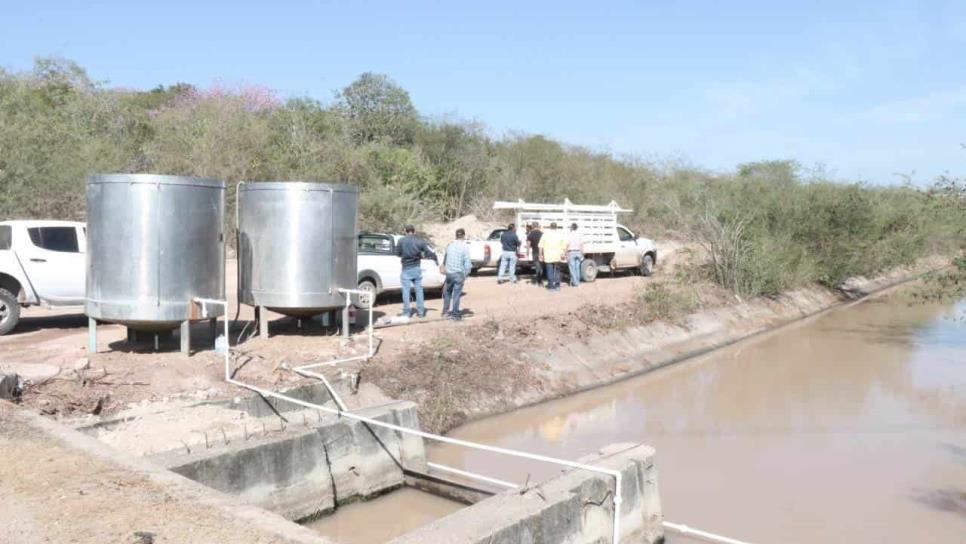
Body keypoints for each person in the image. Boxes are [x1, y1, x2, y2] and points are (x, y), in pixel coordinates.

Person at [394, 224, 433, 317]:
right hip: (416, 267)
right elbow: (428, 252)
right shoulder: (420, 241)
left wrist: (404, 255)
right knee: (419, 290)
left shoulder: (401, 241)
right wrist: (422, 255)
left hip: (406, 268)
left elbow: (397, 253)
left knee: (406, 291)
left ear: (405, 231)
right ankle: (421, 312)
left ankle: (406, 313)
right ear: (414, 231)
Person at [441, 228, 472, 320]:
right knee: (457, 294)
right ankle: (455, 314)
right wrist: (466, 275)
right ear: (463, 236)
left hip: (449, 273)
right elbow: (467, 264)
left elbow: (445, 260)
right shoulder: (464, 247)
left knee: (448, 293)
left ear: (456, 235)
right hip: (458, 273)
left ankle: (445, 312)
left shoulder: (449, 246)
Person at [539, 222, 566, 291]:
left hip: (548, 256)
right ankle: (557, 286)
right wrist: (564, 254)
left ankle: (551, 286)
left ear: (550, 227)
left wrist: (540, 255)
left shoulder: (545, 234)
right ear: (556, 227)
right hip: (557, 256)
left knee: (549, 271)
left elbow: (541, 246)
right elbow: (564, 246)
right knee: (557, 271)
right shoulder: (560, 234)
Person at [566, 222, 584, 287]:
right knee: (577, 268)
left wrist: (565, 252)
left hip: (571, 252)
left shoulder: (570, 235)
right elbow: (581, 245)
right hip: (578, 252)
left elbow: (567, 244)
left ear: (571, 228)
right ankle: (577, 281)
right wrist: (582, 253)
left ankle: (575, 282)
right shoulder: (579, 235)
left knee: (572, 268)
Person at [527, 222, 543, 286]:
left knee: (537, 266)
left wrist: (527, 252)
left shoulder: (530, 234)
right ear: (538, 226)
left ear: (533, 226)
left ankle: (538, 281)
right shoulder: (542, 234)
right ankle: (540, 280)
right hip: (542, 252)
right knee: (541, 266)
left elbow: (528, 244)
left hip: (535, 252)